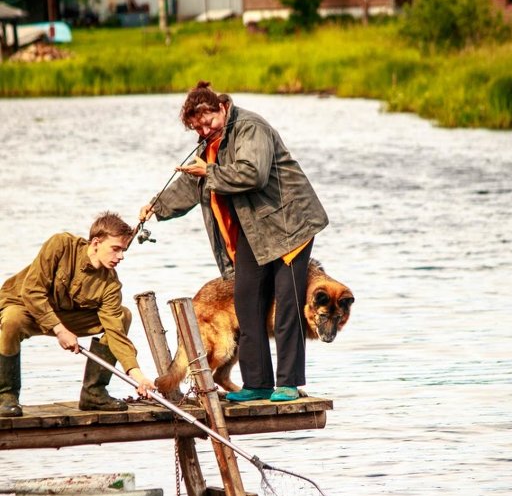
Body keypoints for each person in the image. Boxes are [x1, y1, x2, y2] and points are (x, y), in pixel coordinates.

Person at [139, 81, 329, 403]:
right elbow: (191, 185)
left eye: (208, 122)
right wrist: (156, 207)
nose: (204, 130)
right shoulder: (210, 145)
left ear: (221, 108)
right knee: (247, 305)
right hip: (254, 236)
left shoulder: (251, 128)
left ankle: (289, 384)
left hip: (290, 227)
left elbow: (252, 173)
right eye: (197, 128)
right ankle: (257, 384)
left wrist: (209, 171)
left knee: (287, 307)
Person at [0, 211, 154, 418]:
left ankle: (94, 393)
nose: (121, 256)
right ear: (96, 243)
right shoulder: (61, 245)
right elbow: (32, 291)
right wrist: (59, 329)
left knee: (122, 315)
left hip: (66, 317)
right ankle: (6, 397)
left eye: (124, 250)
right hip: (24, 306)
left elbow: (116, 333)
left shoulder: (110, 284)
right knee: (12, 319)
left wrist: (138, 376)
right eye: (115, 249)